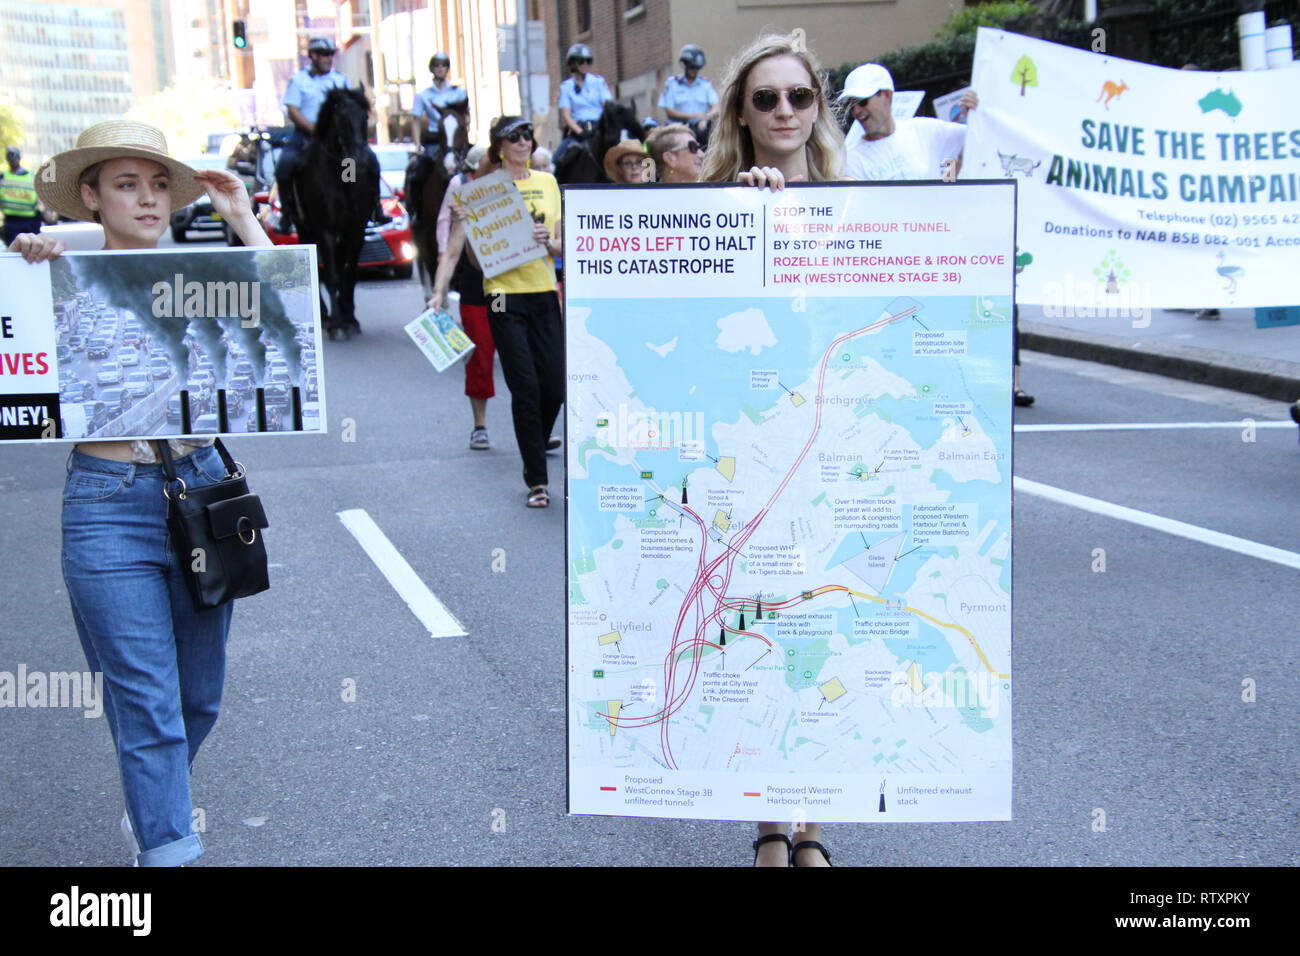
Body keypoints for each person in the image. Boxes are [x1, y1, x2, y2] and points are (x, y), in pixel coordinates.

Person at [10, 119, 272, 866]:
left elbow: (287, 307)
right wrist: (29, 258)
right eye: (128, 185)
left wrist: (241, 215)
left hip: (201, 488)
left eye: (159, 185)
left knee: (198, 699)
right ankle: (167, 845)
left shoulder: (206, 278)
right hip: (105, 502)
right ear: (90, 196)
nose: (149, 199)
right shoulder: (58, 270)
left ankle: (155, 810)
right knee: (147, 707)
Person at [703, 33, 842, 866]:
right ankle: (764, 819)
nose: (785, 111)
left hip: (835, 441)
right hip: (750, 445)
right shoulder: (716, 201)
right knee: (753, 632)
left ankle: (816, 828)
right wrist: (743, 214)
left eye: (800, 95)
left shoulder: (860, 200)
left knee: (830, 630)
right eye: (767, 98)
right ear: (741, 114)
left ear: (818, 106)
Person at [429, 117, 563, 509]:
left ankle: (533, 441)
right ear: (498, 147)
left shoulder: (548, 184)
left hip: (542, 291)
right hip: (503, 295)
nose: (523, 141)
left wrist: (550, 242)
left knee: (553, 386)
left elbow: (564, 243)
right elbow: (453, 250)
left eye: (527, 135)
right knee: (526, 386)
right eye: (514, 137)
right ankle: (537, 479)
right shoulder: (480, 193)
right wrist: (438, 293)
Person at [435, 144, 498, 450]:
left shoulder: (521, 188)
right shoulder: (459, 187)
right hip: (476, 286)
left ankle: (538, 425)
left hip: (515, 287)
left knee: (530, 364)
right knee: (480, 358)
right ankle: (480, 424)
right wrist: (438, 291)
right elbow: (448, 239)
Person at [837, 63, 977, 182]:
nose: (856, 111)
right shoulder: (851, 161)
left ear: (886, 95)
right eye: (850, 104)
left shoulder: (924, 130)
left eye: (862, 101)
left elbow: (978, 139)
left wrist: (975, 112)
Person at [274, 37, 351, 231]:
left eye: (331, 54)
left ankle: (369, 206)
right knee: (284, 167)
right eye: (325, 55)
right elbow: (293, 110)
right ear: (313, 56)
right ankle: (287, 214)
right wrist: (314, 129)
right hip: (306, 135)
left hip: (336, 137)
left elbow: (351, 106)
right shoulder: (299, 80)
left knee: (356, 164)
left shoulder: (340, 80)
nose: (329, 58)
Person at [555, 44, 613, 166]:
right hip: (579, 130)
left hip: (600, 128)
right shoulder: (566, 87)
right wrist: (581, 133)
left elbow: (607, 106)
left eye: (588, 61)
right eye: (581, 61)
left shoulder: (598, 82)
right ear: (573, 64)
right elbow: (566, 116)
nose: (585, 65)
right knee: (556, 160)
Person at [658, 44, 720, 145]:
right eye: (691, 67)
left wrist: (706, 117)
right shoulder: (672, 84)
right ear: (685, 65)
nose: (694, 70)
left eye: (696, 68)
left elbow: (716, 107)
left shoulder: (705, 85)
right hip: (678, 131)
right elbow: (669, 111)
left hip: (701, 131)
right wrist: (693, 116)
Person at [1, 145, 47, 243]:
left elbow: (41, 198)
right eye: (10, 156)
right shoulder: (3, 177)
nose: (12, 159)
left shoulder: (32, 176)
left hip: (31, 221)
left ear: (19, 157)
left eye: (14, 156)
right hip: (11, 222)